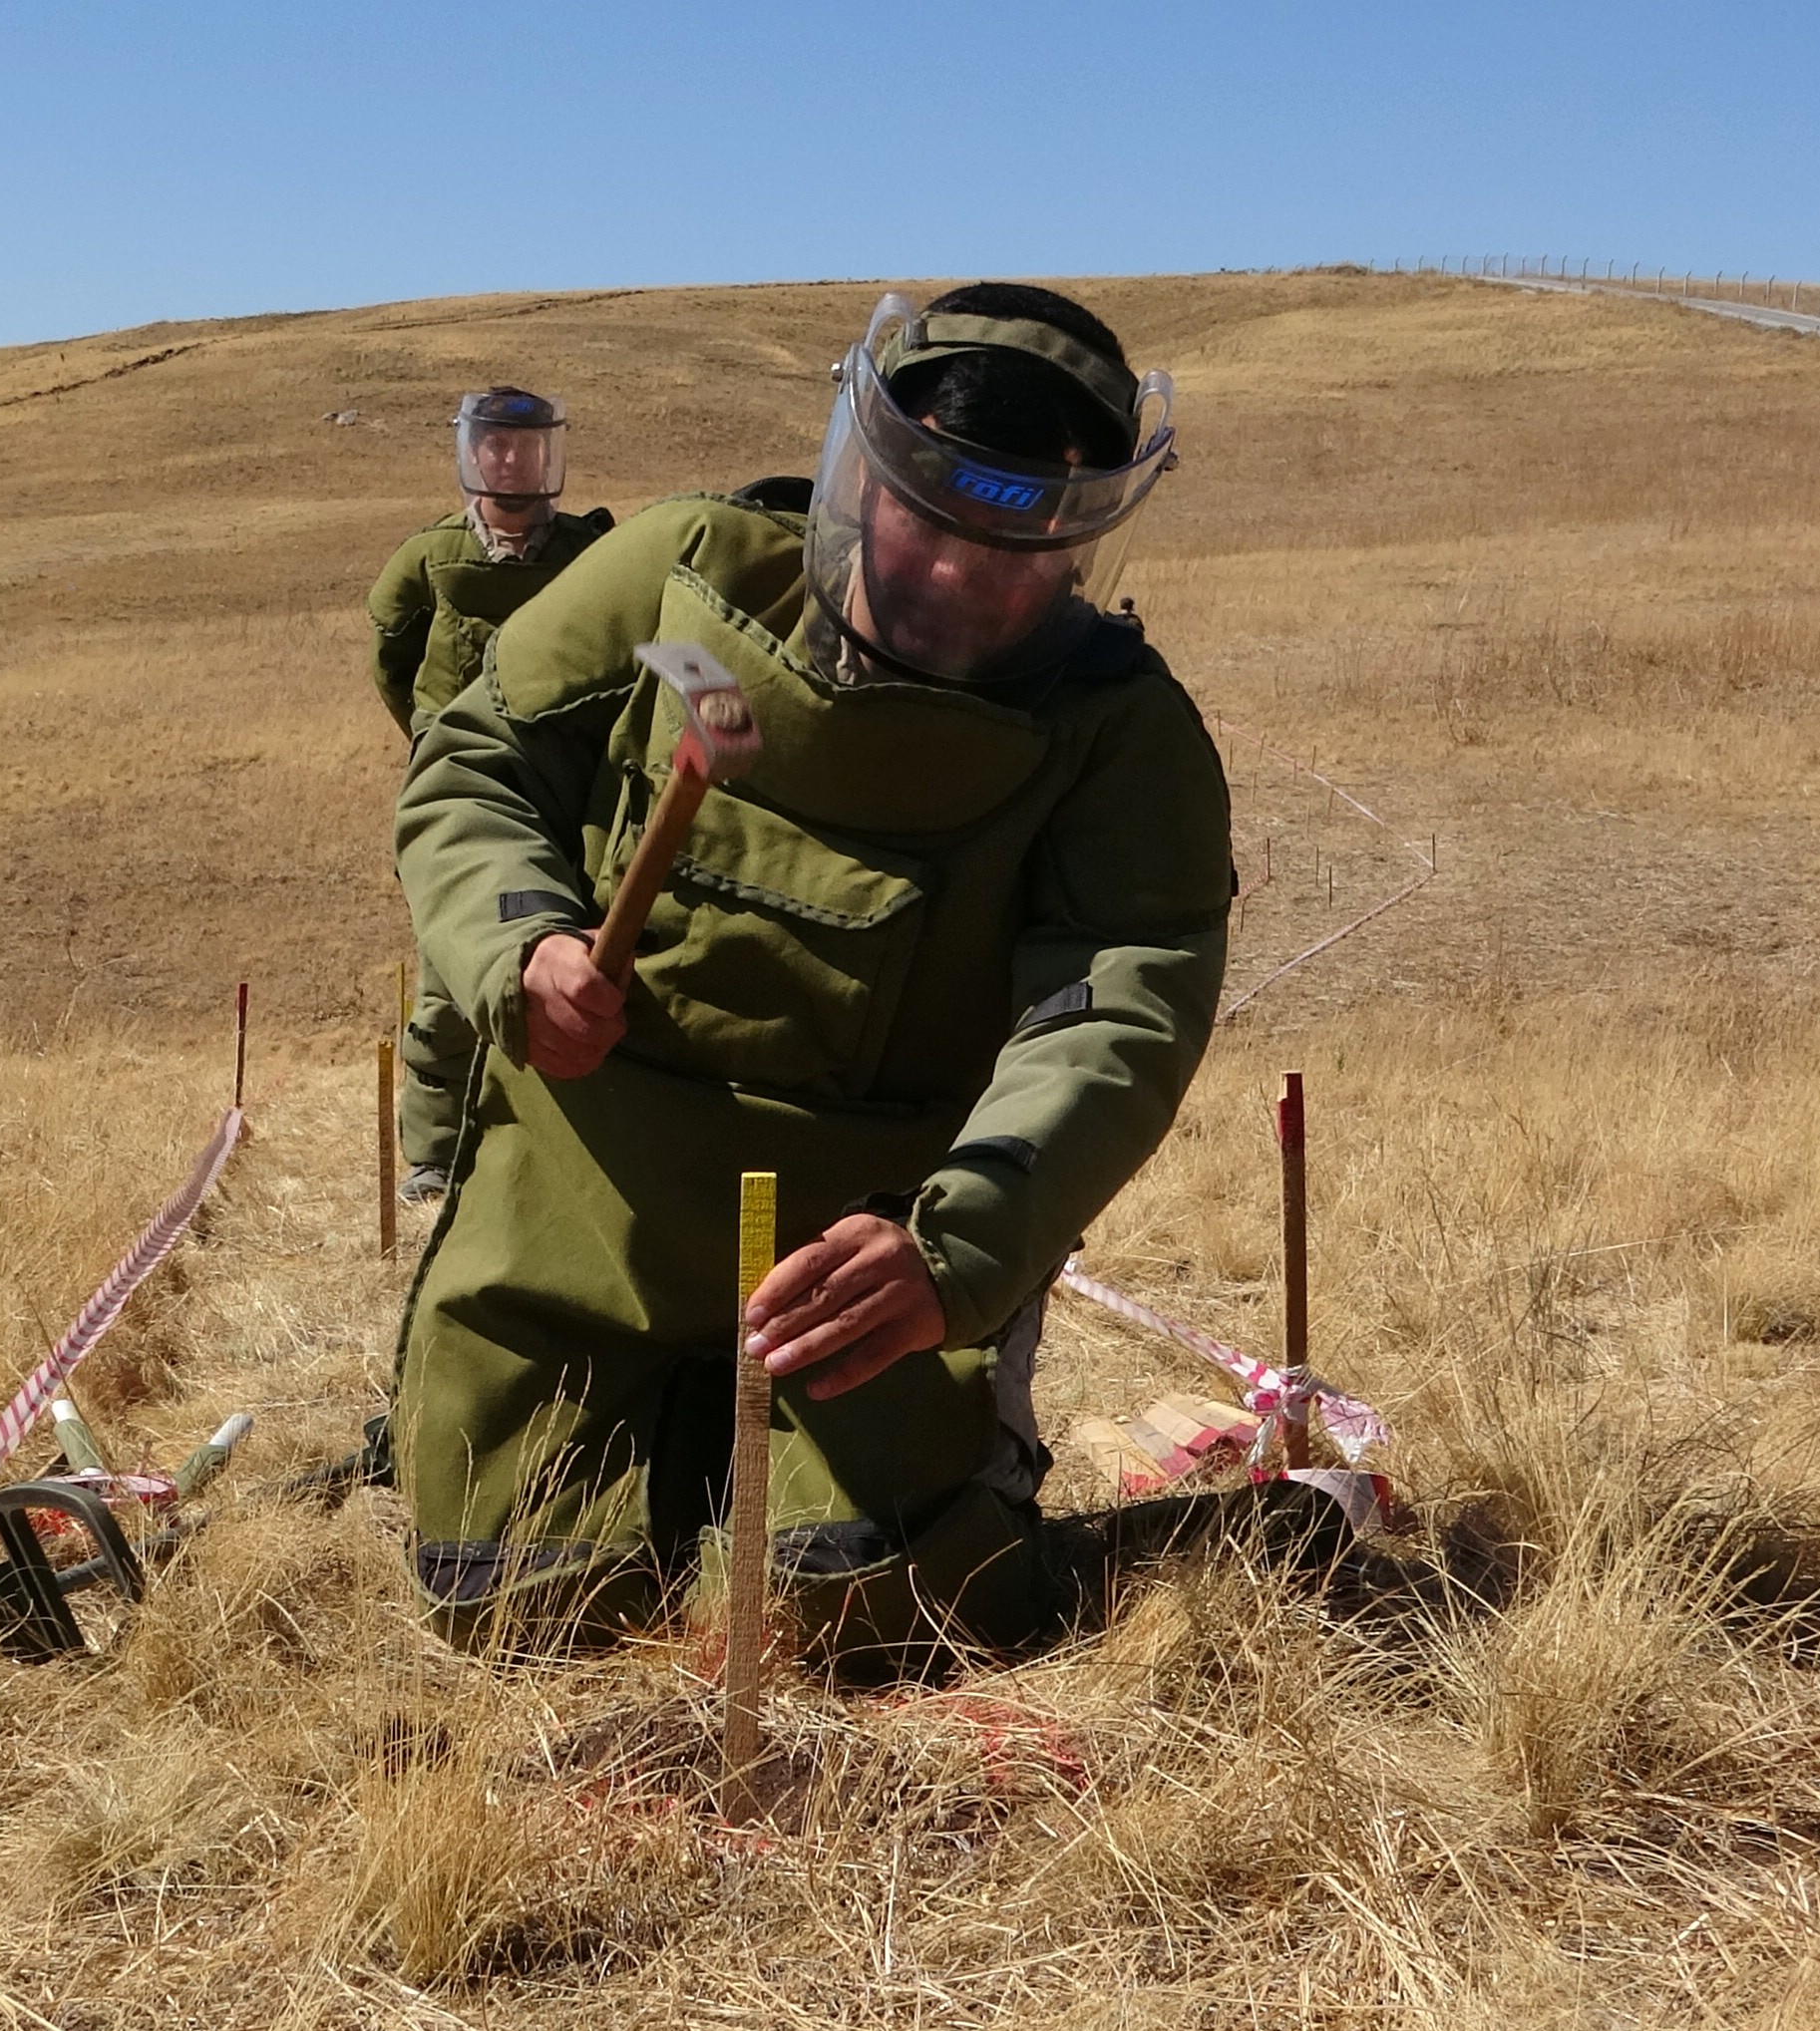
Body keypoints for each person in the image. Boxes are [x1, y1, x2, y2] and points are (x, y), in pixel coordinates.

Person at [387, 284, 1236, 1679]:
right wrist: (519, 944)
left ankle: (1205, 1538)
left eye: (1022, 547)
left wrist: (952, 1252)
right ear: (863, 468)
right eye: (932, 523)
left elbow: (1121, 1009)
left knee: (863, 1623)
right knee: (513, 1603)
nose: (965, 578)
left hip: (860, 1253)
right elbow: (477, 763)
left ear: (1088, 532)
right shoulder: (682, 579)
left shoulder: (1115, 739)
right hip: (576, 1204)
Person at [366, 388, 619, 1200]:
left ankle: (559, 1148)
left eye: (526, 446)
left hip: (569, 788)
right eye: (496, 445)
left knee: (575, 957)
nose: (511, 461)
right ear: (471, 452)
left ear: (549, 454)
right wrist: (436, 745)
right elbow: (392, 658)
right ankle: (434, 1155)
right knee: (449, 975)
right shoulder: (428, 561)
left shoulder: (591, 556)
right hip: (466, 792)